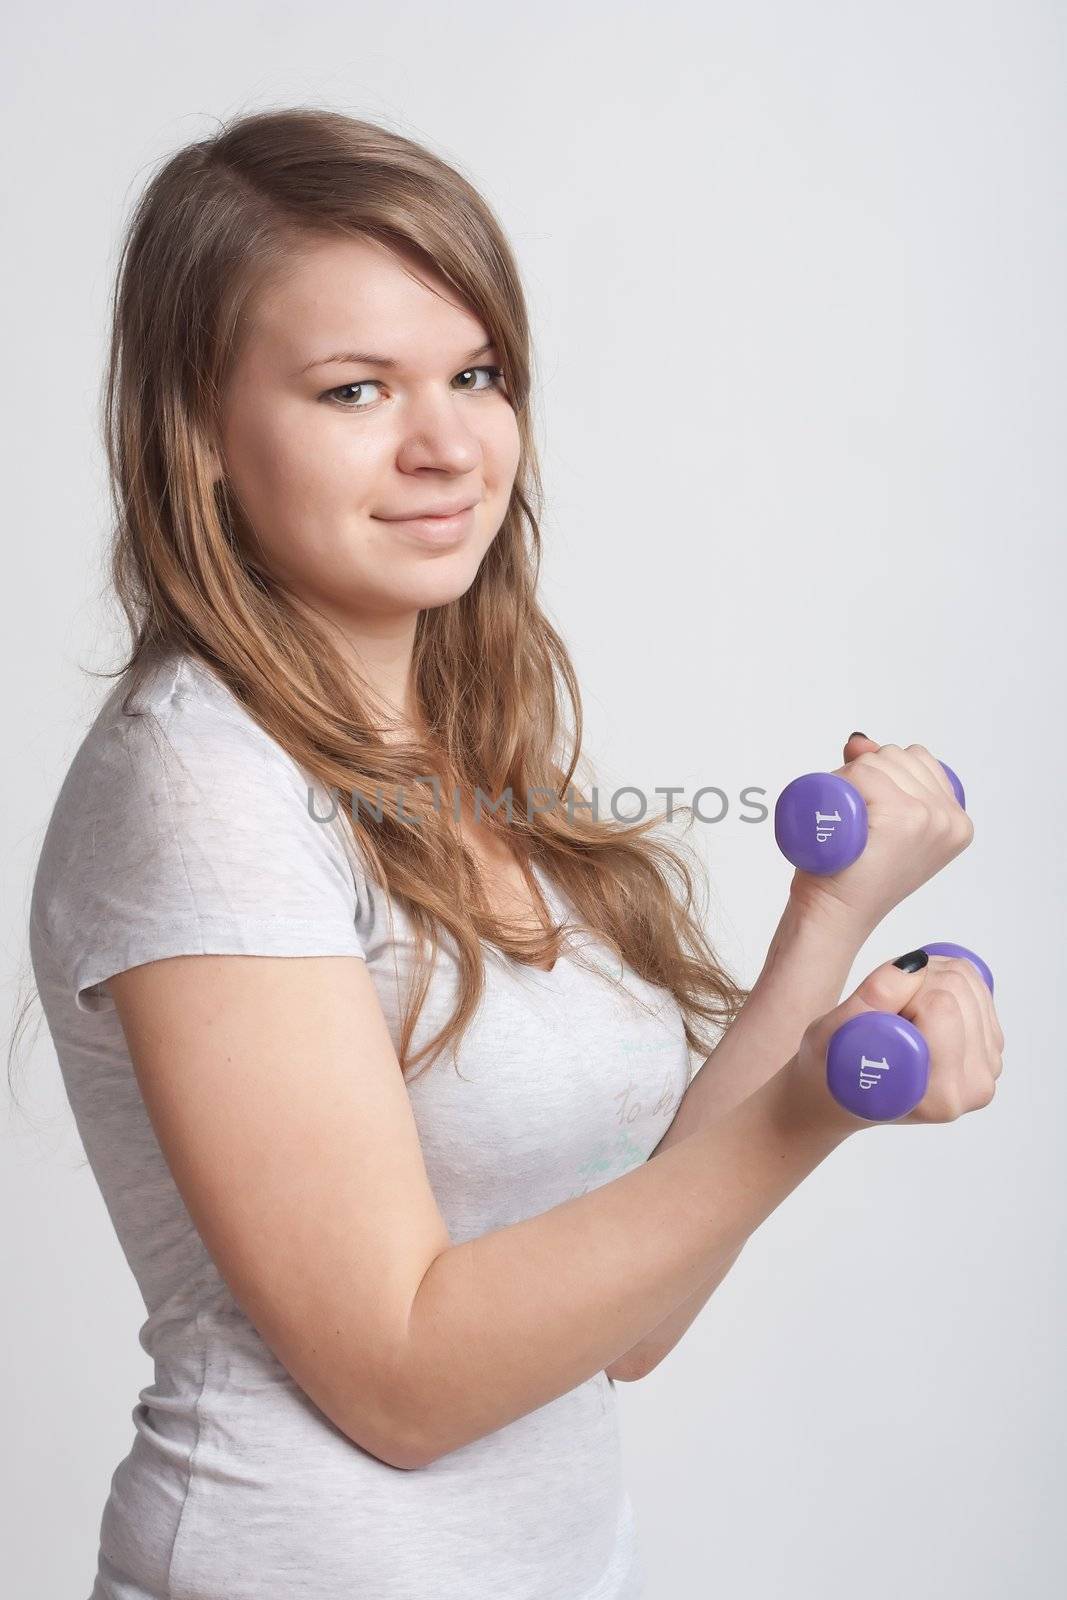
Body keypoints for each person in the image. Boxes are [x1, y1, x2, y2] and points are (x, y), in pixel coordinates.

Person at [27, 106, 1004, 1600]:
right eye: (355, 390)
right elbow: (404, 1380)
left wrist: (830, 925)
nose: (445, 445)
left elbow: (625, 1325)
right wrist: (811, 1105)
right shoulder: (199, 784)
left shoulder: (457, 759)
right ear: (202, 431)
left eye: (476, 375)